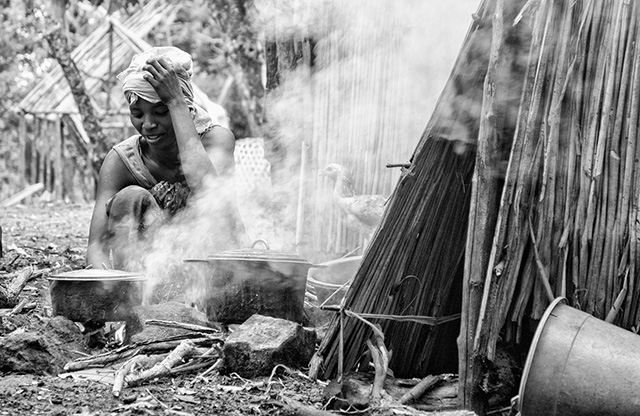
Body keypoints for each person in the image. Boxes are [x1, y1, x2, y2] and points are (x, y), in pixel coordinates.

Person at [86, 46, 244, 271]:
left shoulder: (216, 140)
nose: (148, 125)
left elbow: (211, 195)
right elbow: (95, 246)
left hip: (211, 272)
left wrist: (176, 102)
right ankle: (136, 297)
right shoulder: (121, 161)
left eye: (161, 112)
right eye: (138, 114)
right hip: (144, 280)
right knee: (131, 197)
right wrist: (107, 288)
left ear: (186, 107)